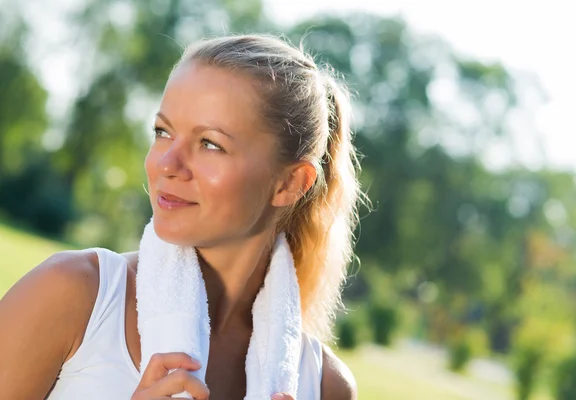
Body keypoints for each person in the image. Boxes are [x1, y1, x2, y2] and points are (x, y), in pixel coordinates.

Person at [0, 34, 362, 400]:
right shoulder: (72, 295)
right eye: (163, 132)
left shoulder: (322, 385)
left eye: (210, 144)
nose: (166, 164)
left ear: (289, 183)